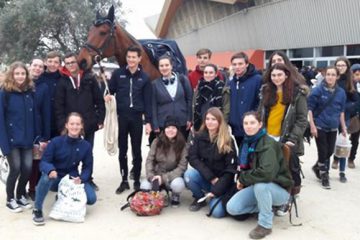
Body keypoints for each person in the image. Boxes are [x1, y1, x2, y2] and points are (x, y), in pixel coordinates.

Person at [226, 111, 293, 239]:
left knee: (261, 185)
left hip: (278, 188)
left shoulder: (268, 144)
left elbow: (267, 173)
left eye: (252, 123)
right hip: (258, 185)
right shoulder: (246, 142)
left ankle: (265, 225)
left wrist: (243, 179)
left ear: (260, 124)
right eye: (246, 123)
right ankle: (267, 208)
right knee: (232, 208)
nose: (248, 126)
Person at [259, 63, 308, 216]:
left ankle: (287, 199)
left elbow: (301, 119)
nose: (276, 78)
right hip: (268, 137)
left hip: (286, 138)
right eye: (273, 75)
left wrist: (292, 138)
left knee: (286, 171)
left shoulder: (296, 94)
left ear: (286, 75)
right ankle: (272, 199)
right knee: (271, 170)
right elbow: (261, 112)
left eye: (279, 75)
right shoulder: (266, 90)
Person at [32, 112, 97, 226]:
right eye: (72, 124)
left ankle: (62, 196)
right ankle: (37, 209)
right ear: (66, 125)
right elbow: (44, 162)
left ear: (81, 126)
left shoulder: (86, 145)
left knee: (91, 199)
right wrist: (51, 170)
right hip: (56, 177)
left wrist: (81, 178)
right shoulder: (56, 142)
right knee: (46, 177)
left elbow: (88, 167)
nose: (74, 127)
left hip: (72, 178)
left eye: (77, 124)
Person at [55, 52, 105, 191]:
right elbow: (58, 106)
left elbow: (99, 100)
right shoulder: (62, 81)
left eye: (73, 62)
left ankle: (87, 179)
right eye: (68, 63)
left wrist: (99, 119)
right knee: (71, 154)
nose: (71, 65)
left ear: (78, 63)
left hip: (88, 123)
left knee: (88, 153)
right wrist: (61, 125)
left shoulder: (89, 78)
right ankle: (71, 179)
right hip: (70, 126)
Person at [106, 45, 152, 194]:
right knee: (122, 150)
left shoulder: (144, 77)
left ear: (139, 58)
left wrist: (149, 122)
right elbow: (109, 90)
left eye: (134, 57)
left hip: (137, 118)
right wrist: (107, 95)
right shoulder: (118, 74)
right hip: (122, 118)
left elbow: (148, 102)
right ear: (126, 58)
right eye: (129, 57)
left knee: (136, 150)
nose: (131, 60)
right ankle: (124, 180)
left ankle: (137, 180)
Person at [184, 107, 236, 218]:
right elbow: (192, 158)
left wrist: (217, 188)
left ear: (219, 121)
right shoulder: (198, 136)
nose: (210, 122)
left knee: (217, 213)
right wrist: (210, 177)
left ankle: (216, 197)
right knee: (189, 175)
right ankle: (199, 198)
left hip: (222, 183)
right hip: (208, 178)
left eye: (213, 119)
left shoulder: (228, 140)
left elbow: (231, 170)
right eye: (207, 119)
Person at [0, 62, 37, 212]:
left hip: (27, 139)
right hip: (12, 140)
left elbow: (33, 116)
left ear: (26, 75)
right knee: (15, 169)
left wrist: (36, 137)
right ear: (12, 75)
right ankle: (10, 199)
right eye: (17, 74)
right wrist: (4, 144)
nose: (20, 76)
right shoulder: (5, 93)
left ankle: (20, 194)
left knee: (27, 168)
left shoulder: (29, 92)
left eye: (23, 74)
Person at [308, 66, 347, 188]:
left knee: (330, 151)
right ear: (325, 75)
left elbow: (341, 112)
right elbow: (309, 109)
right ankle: (324, 176)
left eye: (333, 75)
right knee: (323, 151)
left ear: (337, 77)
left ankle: (316, 167)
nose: (330, 77)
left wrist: (343, 127)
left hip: (333, 127)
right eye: (328, 74)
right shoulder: (318, 90)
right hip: (320, 125)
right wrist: (312, 126)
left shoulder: (341, 93)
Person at [141, 116, 188, 207]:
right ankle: (160, 192)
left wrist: (163, 178)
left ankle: (175, 195)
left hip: (172, 177)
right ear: (164, 129)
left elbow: (182, 167)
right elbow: (149, 160)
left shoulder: (183, 145)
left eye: (173, 128)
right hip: (156, 175)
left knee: (178, 184)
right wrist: (151, 176)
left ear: (177, 130)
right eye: (168, 127)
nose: (170, 130)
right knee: (144, 186)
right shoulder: (156, 141)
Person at [151, 55, 193, 141]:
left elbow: (189, 100)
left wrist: (189, 118)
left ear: (171, 65)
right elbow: (153, 105)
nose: (164, 68)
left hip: (182, 121)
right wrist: (155, 124)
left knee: (182, 149)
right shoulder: (154, 84)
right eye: (161, 66)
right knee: (165, 151)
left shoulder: (183, 79)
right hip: (163, 123)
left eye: (166, 65)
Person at [27, 58, 51, 201]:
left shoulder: (44, 86)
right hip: (21, 129)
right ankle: (19, 190)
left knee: (35, 162)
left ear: (43, 70)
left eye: (40, 66)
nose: (37, 68)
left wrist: (45, 136)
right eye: (35, 65)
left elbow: (46, 112)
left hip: (37, 129)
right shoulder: (21, 83)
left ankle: (32, 188)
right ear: (30, 66)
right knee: (22, 164)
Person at [331, 57, 358, 181]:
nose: (340, 67)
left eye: (343, 65)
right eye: (338, 65)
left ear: (347, 67)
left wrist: (344, 108)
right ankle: (329, 164)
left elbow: (356, 101)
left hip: (344, 117)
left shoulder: (351, 81)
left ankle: (342, 170)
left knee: (343, 143)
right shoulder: (331, 78)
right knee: (329, 142)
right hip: (330, 116)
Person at [228, 52, 262, 148]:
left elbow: (260, 102)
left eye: (240, 64)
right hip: (237, 129)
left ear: (247, 64)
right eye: (234, 64)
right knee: (242, 158)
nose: (237, 67)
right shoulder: (231, 83)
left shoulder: (257, 80)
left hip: (252, 127)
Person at [193, 63, 226, 131]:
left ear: (216, 74)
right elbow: (195, 107)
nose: (208, 75)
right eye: (206, 72)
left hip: (217, 125)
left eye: (211, 73)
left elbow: (225, 109)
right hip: (201, 124)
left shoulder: (221, 87)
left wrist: (223, 125)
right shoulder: (199, 88)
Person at [40, 51, 62, 138]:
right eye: (50, 61)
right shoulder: (40, 78)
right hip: (42, 120)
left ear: (60, 64)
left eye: (56, 62)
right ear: (45, 62)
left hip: (58, 121)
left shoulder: (63, 79)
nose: (52, 64)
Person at [348, 63, 360, 168]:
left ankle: (351, 158)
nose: (358, 76)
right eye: (356, 74)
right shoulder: (349, 86)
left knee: (356, 139)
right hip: (352, 116)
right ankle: (338, 157)